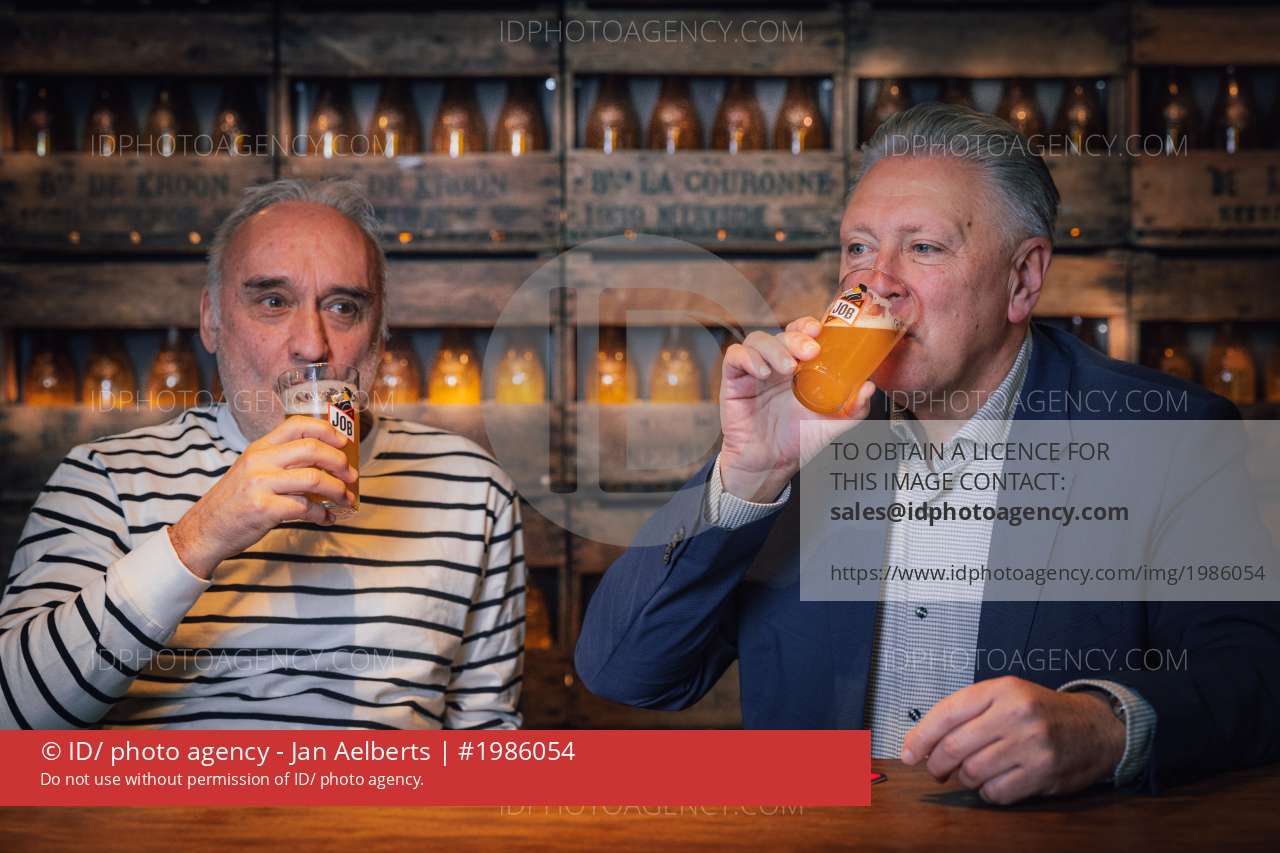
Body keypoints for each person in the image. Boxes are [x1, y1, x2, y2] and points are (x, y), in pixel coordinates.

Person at [575, 103, 1280, 803]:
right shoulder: (797, 429)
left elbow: (1255, 677)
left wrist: (1104, 726)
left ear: (1023, 279)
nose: (876, 281)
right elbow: (625, 671)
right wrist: (749, 475)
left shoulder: (1168, 435)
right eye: (859, 247)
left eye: (924, 248)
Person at [1, 178, 525, 730]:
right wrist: (202, 535)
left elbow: (486, 741)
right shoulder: (106, 477)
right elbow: (12, 719)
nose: (312, 345)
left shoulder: (473, 488)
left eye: (343, 307)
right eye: (273, 302)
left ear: (379, 336)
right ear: (212, 320)